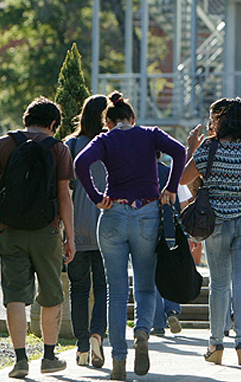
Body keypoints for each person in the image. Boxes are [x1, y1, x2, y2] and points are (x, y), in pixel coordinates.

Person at [74, 91, 185, 380]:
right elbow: (180, 152)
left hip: (113, 216)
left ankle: (119, 360)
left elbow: (80, 164)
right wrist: (170, 187)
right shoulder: (150, 134)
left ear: (107, 123)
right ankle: (142, 332)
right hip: (147, 215)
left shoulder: (105, 140)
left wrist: (97, 197)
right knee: (146, 287)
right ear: (132, 118)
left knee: (115, 291)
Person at [181, 97, 241, 368]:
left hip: (217, 223)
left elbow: (182, 179)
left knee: (220, 284)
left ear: (220, 120)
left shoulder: (209, 147)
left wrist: (191, 149)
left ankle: (215, 345)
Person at [0, 97, 76, 378]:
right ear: (53, 124)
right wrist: (70, 237)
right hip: (47, 232)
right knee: (51, 294)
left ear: (26, 119)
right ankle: (49, 356)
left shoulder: (3, 144)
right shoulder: (59, 149)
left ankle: (20, 360)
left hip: (10, 230)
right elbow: (63, 196)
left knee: (14, 295)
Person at [64, 95, 109, 368]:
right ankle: (96, 336)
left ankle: (81, 347)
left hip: (77, 227)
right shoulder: (111, 144)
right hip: (108, 226)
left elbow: (63, 190)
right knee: (103, 288)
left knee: (79, 290)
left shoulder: (71, 145)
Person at [151, 153, 185, 336]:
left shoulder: (142, 172)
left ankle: (157, 323)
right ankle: (172, 310)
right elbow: (176, 203)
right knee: (169, 271)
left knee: (152, 276)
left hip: (148, 228)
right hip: (169, 228)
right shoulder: (168, 172)